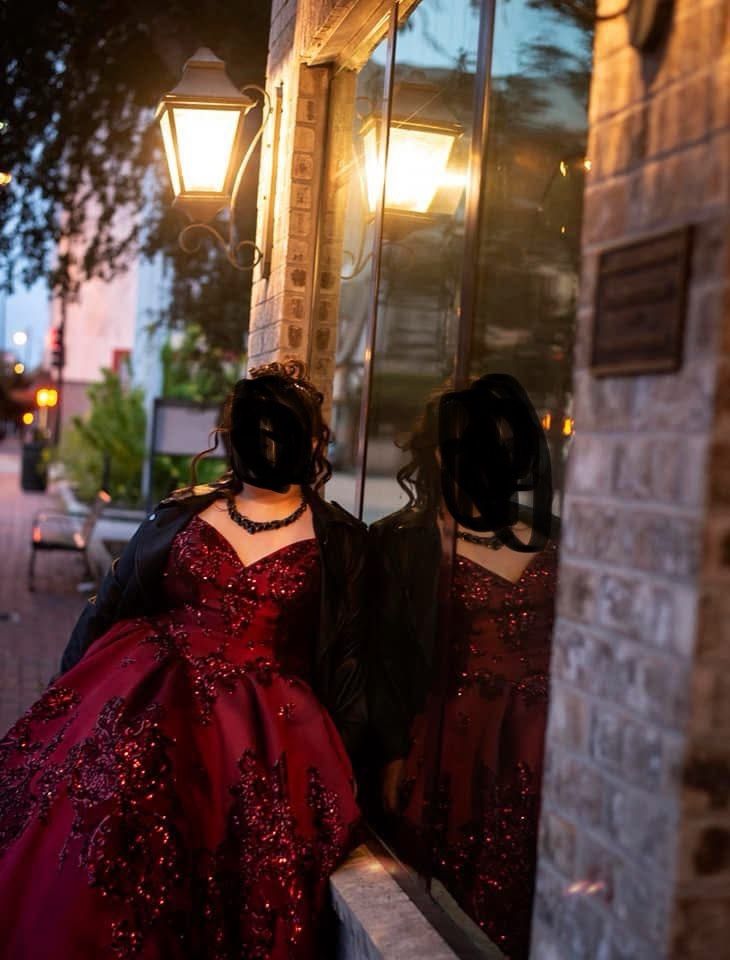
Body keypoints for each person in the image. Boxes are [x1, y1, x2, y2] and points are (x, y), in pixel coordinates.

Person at [0, 361, 366, 960]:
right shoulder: (184, 513)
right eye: (255, 428)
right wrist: (64, 688)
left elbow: (350, 657)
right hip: (145, 699)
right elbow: (112, 602)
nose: (267, 441)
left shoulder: (340, 541)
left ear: (310, 440)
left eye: (280, 429)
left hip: (263, 734)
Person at [368, 373, 557, 959]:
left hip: (546, 738)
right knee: (455, 895)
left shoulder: (553, 536)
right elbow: (385, 655)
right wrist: (393, 751)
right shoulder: (405, 543)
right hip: (456, 738)